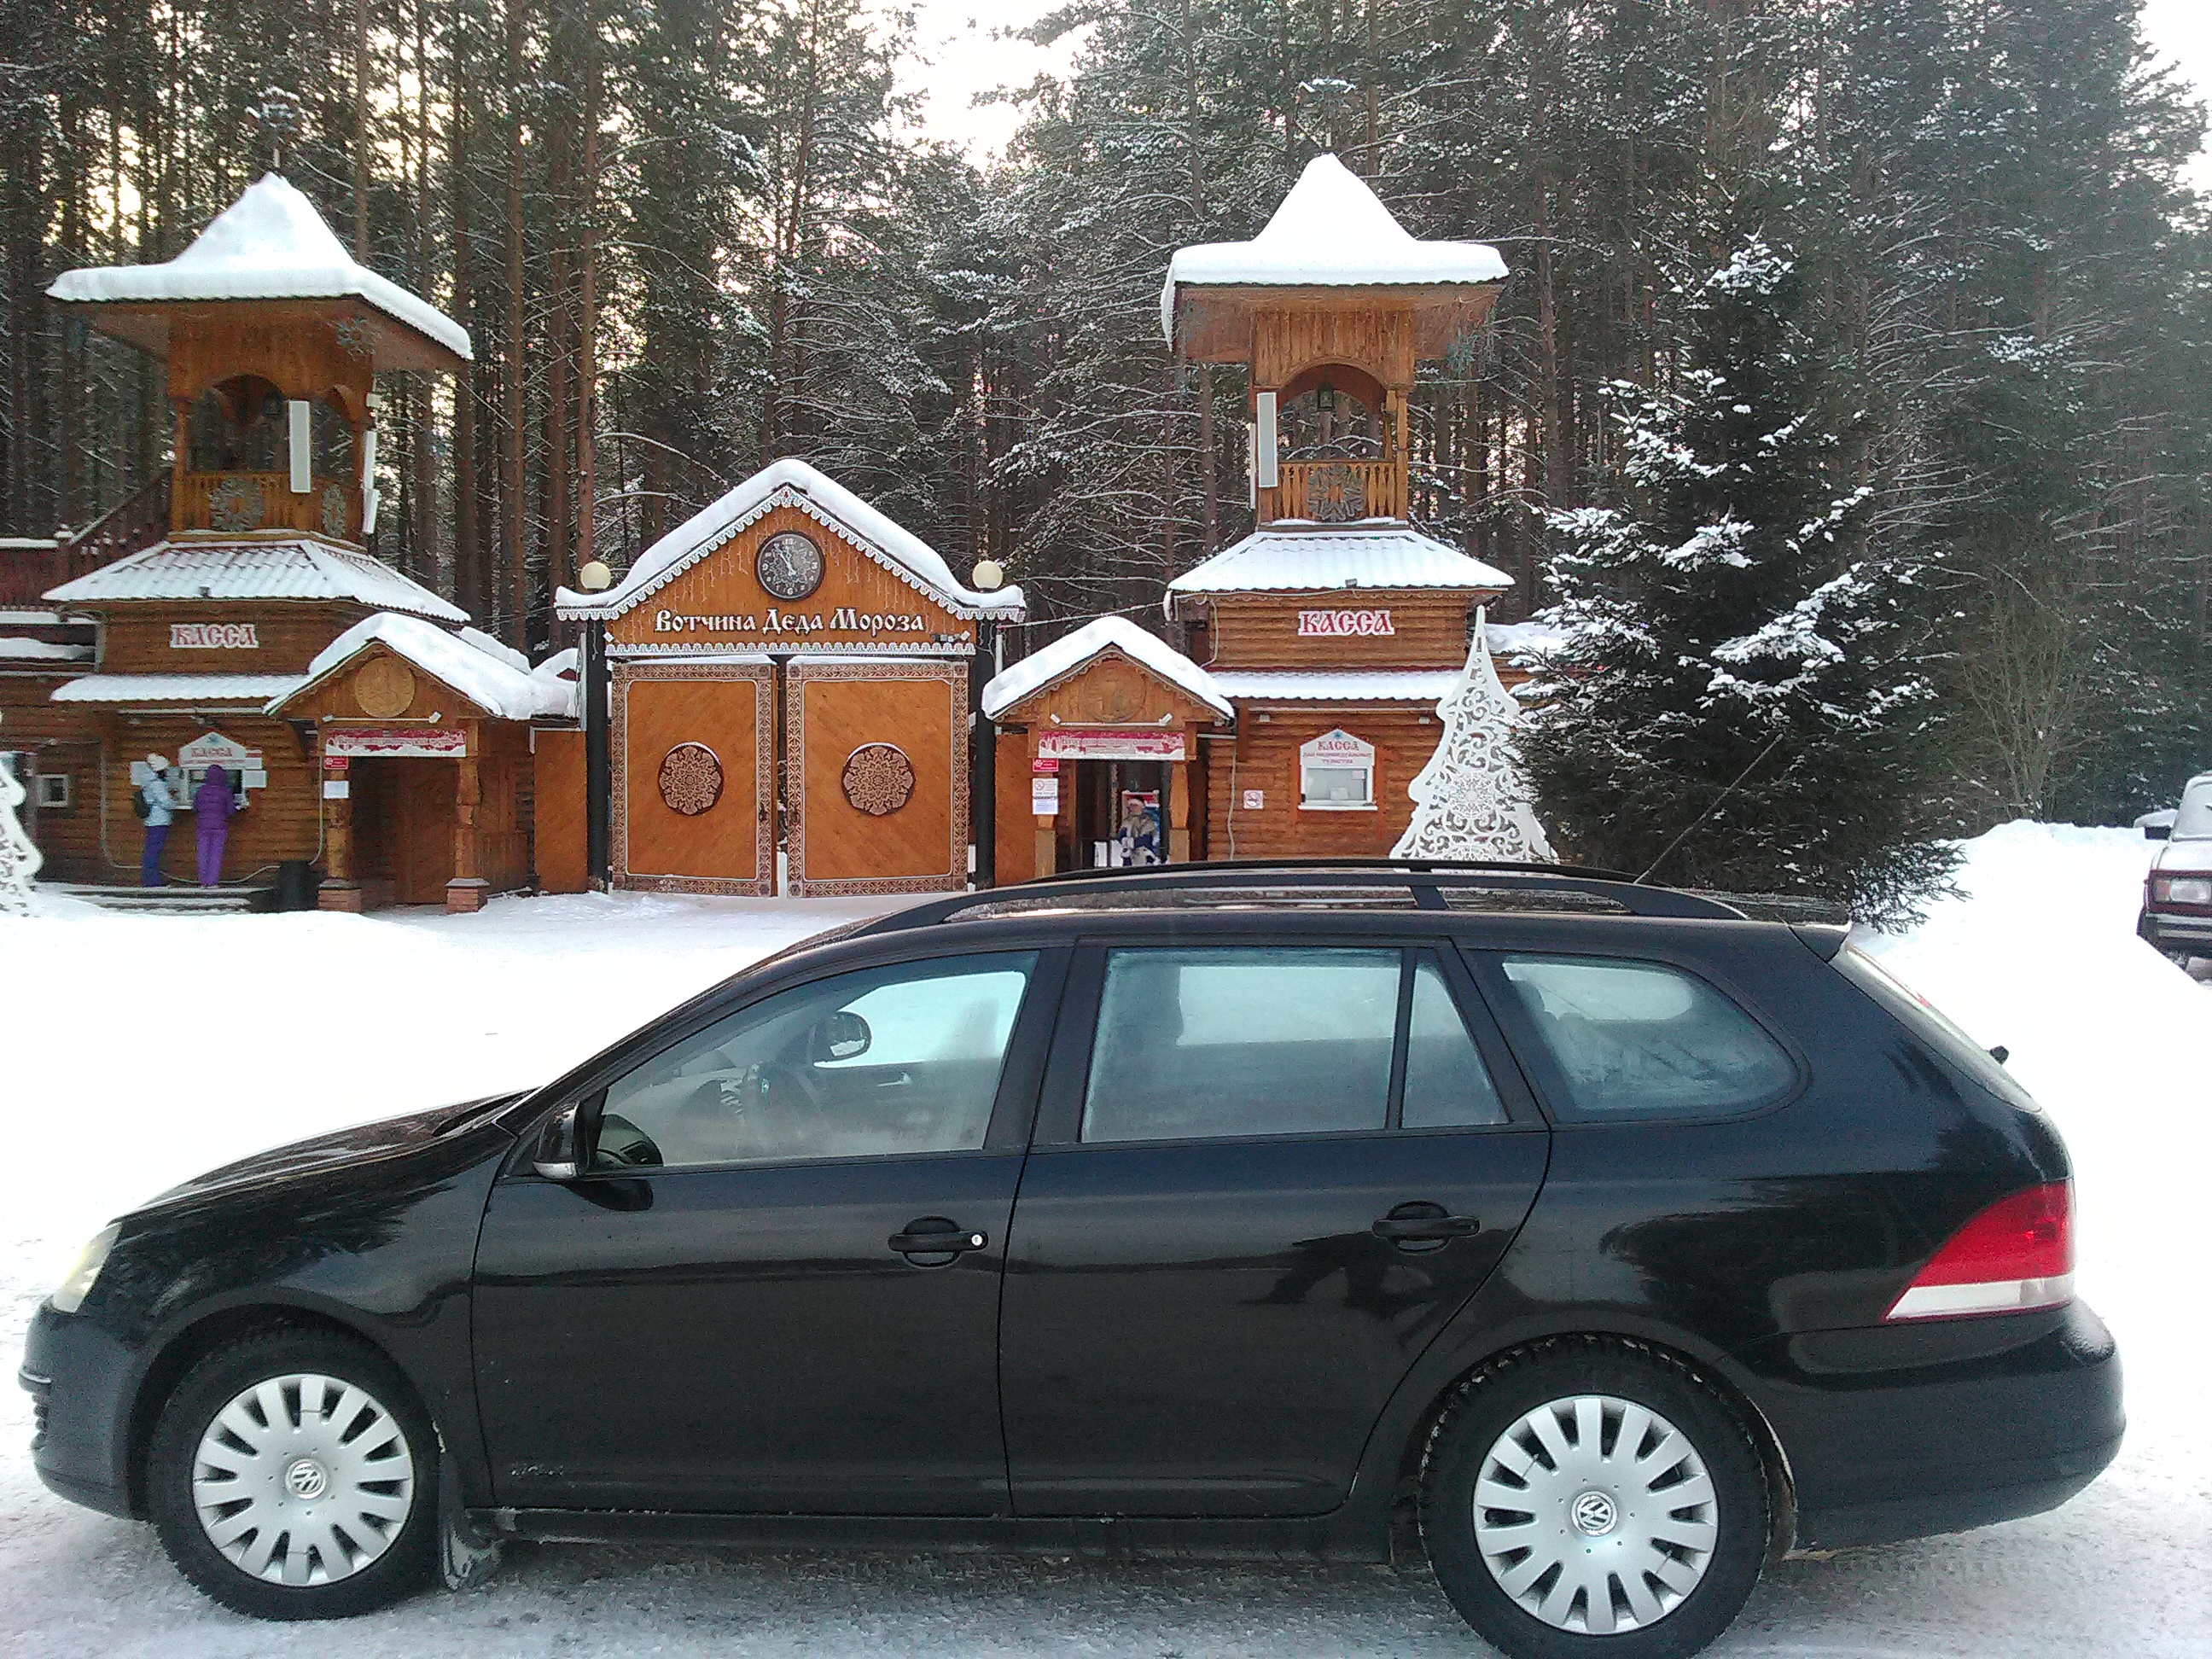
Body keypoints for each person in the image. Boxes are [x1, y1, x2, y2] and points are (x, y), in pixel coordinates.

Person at [192, 763, 237, 887]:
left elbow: (195, 807)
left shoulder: (201, 790)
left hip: (202, 825)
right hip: (219, 826)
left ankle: (203, 882)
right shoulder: (225, 791)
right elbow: (230, 811)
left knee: (202, 853)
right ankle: (212, 882)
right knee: (215, 854)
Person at [139, 754, 175, 888]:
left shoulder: (147, 781)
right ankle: (152, 881)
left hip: (152, 819)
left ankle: (150, 879)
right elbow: (166, 803)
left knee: (151, 850)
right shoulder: (157, 784)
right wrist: (174, 803)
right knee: (154, 851)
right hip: (159, 820)